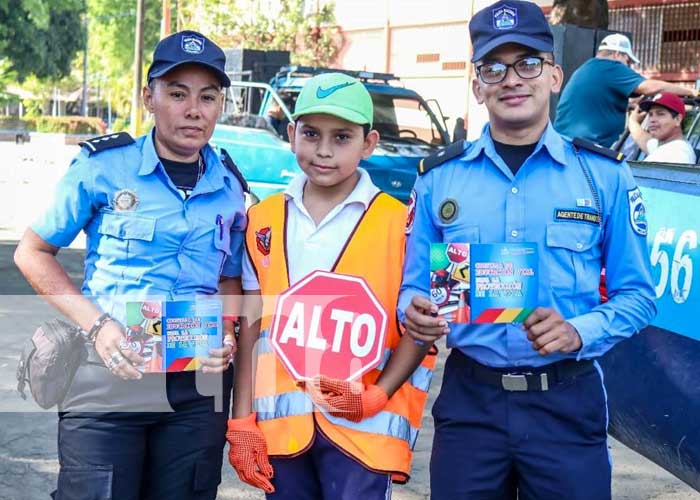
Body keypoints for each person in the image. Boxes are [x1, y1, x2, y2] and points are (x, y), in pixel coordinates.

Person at [399, 2, 657, 499]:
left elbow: (638, 296)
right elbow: (414, 285)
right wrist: (415, 312)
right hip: (471, 403)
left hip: (565, 401)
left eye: (528, 63)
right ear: (477, 85)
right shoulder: (440, 179)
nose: (511, 79)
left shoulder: (604, 177)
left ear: (555, 76)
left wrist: (577, 331)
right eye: (493, 67)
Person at [13, 30, 247, 500]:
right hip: (107, 377)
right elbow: (32, 252)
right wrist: (98, 325)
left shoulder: (228, 184)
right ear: (149, 97)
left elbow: (228, 276)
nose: (194, 110)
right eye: (177, 94)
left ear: (221, 105)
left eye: (208, 97)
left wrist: (226, 329)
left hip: (196, 389)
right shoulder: (104, 167)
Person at [225, 72, 437, 499]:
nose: (323, 150)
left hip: (361, 432)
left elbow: (422, 327)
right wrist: (241, 418)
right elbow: (252, 325)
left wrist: (379, 395)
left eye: (342, 137)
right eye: (311, 134)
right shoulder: (263, 219)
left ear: (369, 143)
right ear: (291, 134)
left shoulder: (402, 226)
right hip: (284, 432)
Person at [554, 32, 697, 147]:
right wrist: (691, 92)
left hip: (567, 143)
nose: (628, 67)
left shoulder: (588, 68)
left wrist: (629, 106)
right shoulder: (610, 67)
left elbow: (598, 100)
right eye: (628, 61)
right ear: (617, 54)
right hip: (585, 148)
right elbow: (649, 87)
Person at [629, 91, 697, 164]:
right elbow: (643, 138)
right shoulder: (668, 147)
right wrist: (633, 121)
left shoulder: (676, 155)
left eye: (660, 114)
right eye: (650, 114)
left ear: (677, 119)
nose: (652, 119)